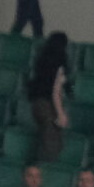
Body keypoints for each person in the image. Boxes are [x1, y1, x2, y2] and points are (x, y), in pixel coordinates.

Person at [27, 33, 72, 163]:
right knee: (50, 142)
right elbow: (55, 92)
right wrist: (61, 114)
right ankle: (45, 167)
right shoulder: (59, 64)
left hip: (37, 104)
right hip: (48, 105)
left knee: (43, 138)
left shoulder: (41, 61)